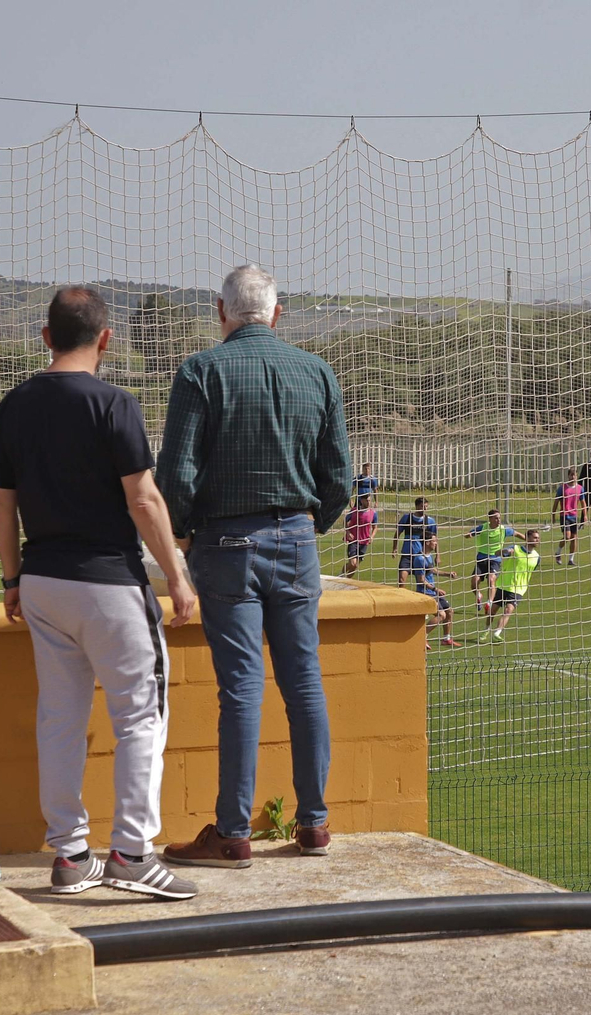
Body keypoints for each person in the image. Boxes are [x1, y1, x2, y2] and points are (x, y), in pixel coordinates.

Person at [0, 287, 199, 900]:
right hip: (107, 582)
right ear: (106, 339)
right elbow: (144, 499)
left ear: (45, 337)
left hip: (44, 582)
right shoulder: (114, 403)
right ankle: (131, 853)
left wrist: (14, 577)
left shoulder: (16, 404)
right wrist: (178, 578)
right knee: (140, 716)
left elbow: (2, 500)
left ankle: (72, 856)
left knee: (60, 716)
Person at [158, 265, 351, 869]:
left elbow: (176, 476)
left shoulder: (201, 371)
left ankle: (233, 832)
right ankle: (314, 824)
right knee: (304, 682)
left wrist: (185, 538)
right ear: (278, 312)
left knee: (240, 689)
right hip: (296, 539)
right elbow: (339, 478)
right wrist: (306, 526)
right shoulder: (317, 372)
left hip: (225, 545)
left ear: (221, 312)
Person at [482, 530, 543, 641]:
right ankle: (486, 630)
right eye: (535, 537)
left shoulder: (537, 557)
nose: (537, 540)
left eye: (538, 538)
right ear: (527, 538)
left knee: (508, 610)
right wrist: (504, 551)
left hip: (519, 589)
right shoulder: (515, 549)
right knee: (492, 612)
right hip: (503, 585)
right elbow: (497, 554)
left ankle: (497, 633)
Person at [464, 508, 517, 612]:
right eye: (496, 518)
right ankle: (478, 595)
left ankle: (489, 603)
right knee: (474, 583)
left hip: (495, 559)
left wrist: (527, 540)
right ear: (490, 519)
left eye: (499, 518)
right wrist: (468, 535)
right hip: (481, 558)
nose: (499, 520)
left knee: (491, 579)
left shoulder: (503, 529)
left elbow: (517, 534)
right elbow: (470, 534)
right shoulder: (483, 528)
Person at [410, 551, 463, 649]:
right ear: (427, 542)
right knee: (441, 615)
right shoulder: (419, 559)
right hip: (425, 593)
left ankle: (446, 639)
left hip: (433, 593)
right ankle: (422, 637)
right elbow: (421, 580)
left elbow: (432, 570)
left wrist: (448, 574)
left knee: (449, 611)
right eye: (434, 541)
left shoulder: (429, 556)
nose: (435, 543)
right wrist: (435, 589)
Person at [396, 497, 439, 587]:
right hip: (407, 555)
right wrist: (395, 548)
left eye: (426, 506)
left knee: (423, 582)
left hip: (421, 557)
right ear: (416, 506)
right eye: (422, 506)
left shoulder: (430, 521)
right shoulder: (407, 518)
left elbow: (435, 539)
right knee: (401, 580)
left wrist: (438, 556)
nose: (425, 509)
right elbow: (397, 533)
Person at [554, 468, 585, 565]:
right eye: (571, 475)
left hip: (574, 516)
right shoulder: (562, 488)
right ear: (568, 476)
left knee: (574, 537)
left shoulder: (580, 488)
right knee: (567, 537)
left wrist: (585, 515)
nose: (573, 477)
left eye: (575, 475)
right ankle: (558, 552)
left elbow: (583, 503)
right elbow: (556, 502)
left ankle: (571, 559)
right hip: (565, 515)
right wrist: (553, 514)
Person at [342, 496, 376, 577]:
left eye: (370, 501)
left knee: (356, 566)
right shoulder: (354, 511)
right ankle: (342, 573)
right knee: (353, 563)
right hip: (354, 541)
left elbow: (375, 527)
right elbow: (345, 521)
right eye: (367, 501)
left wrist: (372, 536)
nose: (368, 502)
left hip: (364, 542)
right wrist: (348, 532)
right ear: (362, 501)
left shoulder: (373, 513)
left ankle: (347, 581)